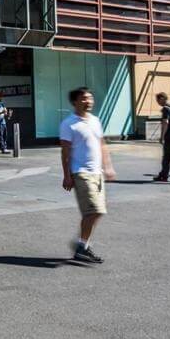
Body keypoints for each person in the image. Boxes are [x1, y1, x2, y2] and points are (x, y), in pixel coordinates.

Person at [60, 87, 116, 264]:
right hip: (81, 172)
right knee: (94, 210)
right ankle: (82, 246)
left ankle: (82, 246)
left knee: (98, 211)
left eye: (90, 98)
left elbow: (102, 145)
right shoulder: (69, 124)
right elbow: (65, 152)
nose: (89, 101)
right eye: (84, 98)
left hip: (97, 173)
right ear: (75, 101)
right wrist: (67, 175)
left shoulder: (95, 120)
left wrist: (108, 167)